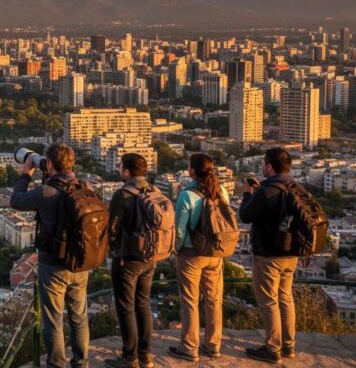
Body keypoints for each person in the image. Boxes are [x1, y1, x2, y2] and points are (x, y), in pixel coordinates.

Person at [10, 143, 90, 368]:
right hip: (80, 263)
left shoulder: (45, 192)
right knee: (79, 316)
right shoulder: (85, 186)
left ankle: (56, 364)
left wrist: (25, 174)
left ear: (51, 165)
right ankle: (81, 362)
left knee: (53, 319)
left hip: (52, 264)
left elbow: (16, 200)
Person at [239, 148, 298, 364]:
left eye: (264, 164)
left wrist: (247, 193)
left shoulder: (266, 191)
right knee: (286, 298)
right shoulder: (295, 188)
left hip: (268, 255)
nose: (263, 167)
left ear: (270, 166)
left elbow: (245, 215)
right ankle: (289, 346)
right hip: (291, 253)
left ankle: (272, 348)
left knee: (269, 301)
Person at [169, 153, 229, 362]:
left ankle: (189, 348)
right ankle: (213, 345)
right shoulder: (221, 191)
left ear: (192, 171)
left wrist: (176, 250)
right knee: (213, 300)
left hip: (191, 254)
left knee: (190, 302)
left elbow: (178, 230)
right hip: (215, 254)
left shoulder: (187, 195)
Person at [105, 153, 160, 368]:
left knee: (125, 307)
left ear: (126, 171)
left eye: (121, 168)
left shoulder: (123, 195)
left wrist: (112, 251)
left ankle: (129, 357)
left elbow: (112, 229)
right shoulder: (154, 190)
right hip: (150, 257)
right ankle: (145, 354)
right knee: (143, 303)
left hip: (126, 259)